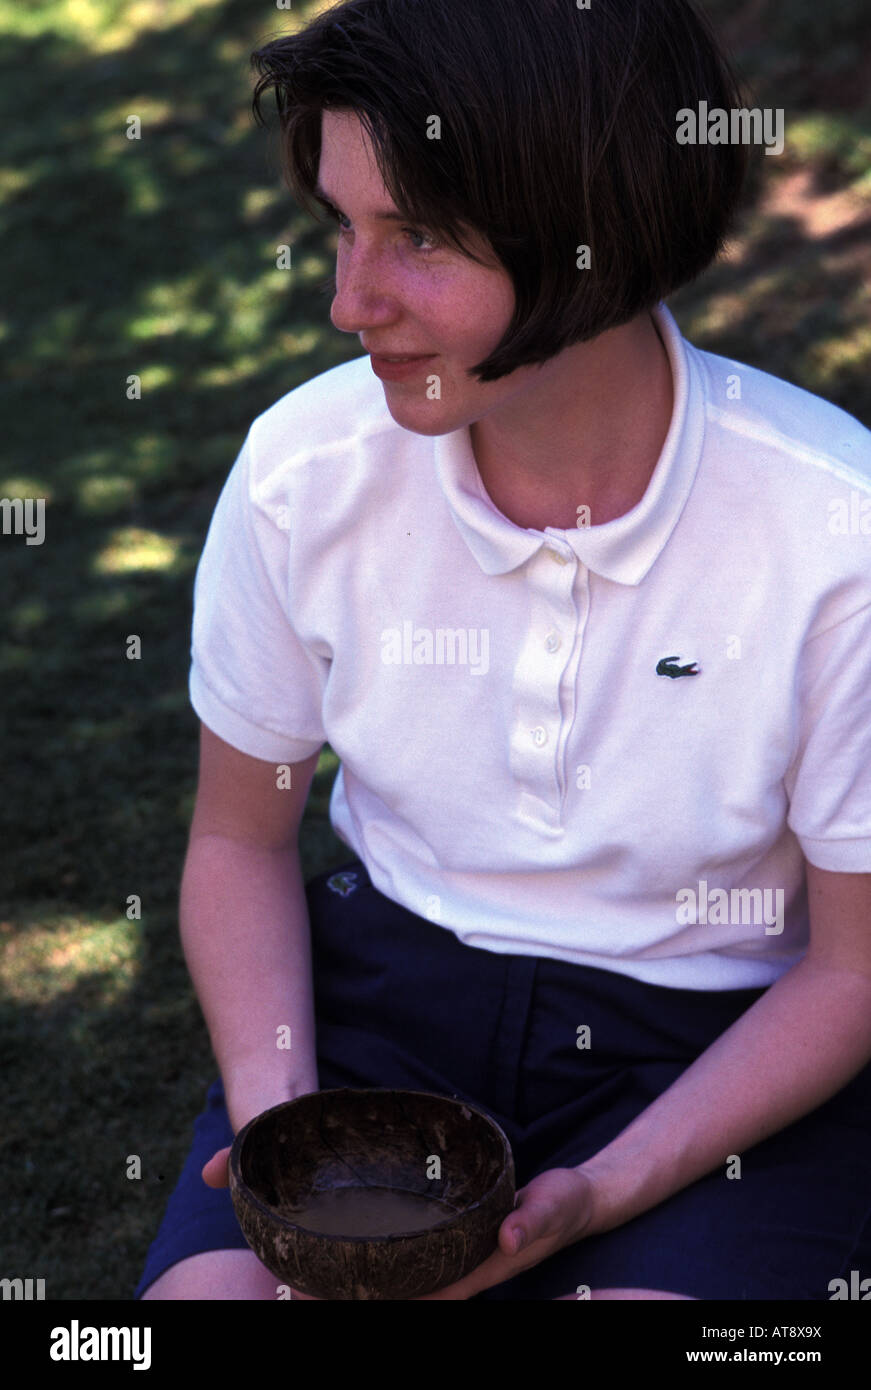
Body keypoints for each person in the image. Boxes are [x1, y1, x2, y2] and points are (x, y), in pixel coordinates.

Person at [135, 0, 871, 1301]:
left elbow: (853, 967)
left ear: (596, 231)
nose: (345, 301)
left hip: (715, 1053)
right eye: (340, 225)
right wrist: (279, 1131)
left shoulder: (836, 533)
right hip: (380, 1001)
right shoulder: (300, 475)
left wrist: (612, 1188)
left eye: (414, 237)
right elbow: (237, 840)